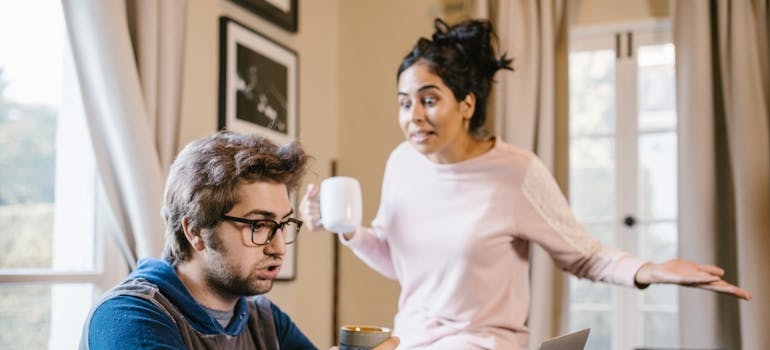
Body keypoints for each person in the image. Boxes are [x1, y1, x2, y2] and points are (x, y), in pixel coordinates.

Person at [300, 18, 751, 350]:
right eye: (404, 103)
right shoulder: (402, 162)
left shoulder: (516, 171)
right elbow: (404, 262)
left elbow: (585, 255)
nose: (413, 116)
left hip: (482, 344)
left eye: (429, 99)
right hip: (410, 340)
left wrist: (650, 270)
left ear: (467, 104)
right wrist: (348, 230)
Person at [79, 131, 400, 350]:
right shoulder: (128, 317)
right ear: (196, 231)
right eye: (259, 225)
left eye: (283, 225)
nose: (278, 248)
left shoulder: (264, 319)